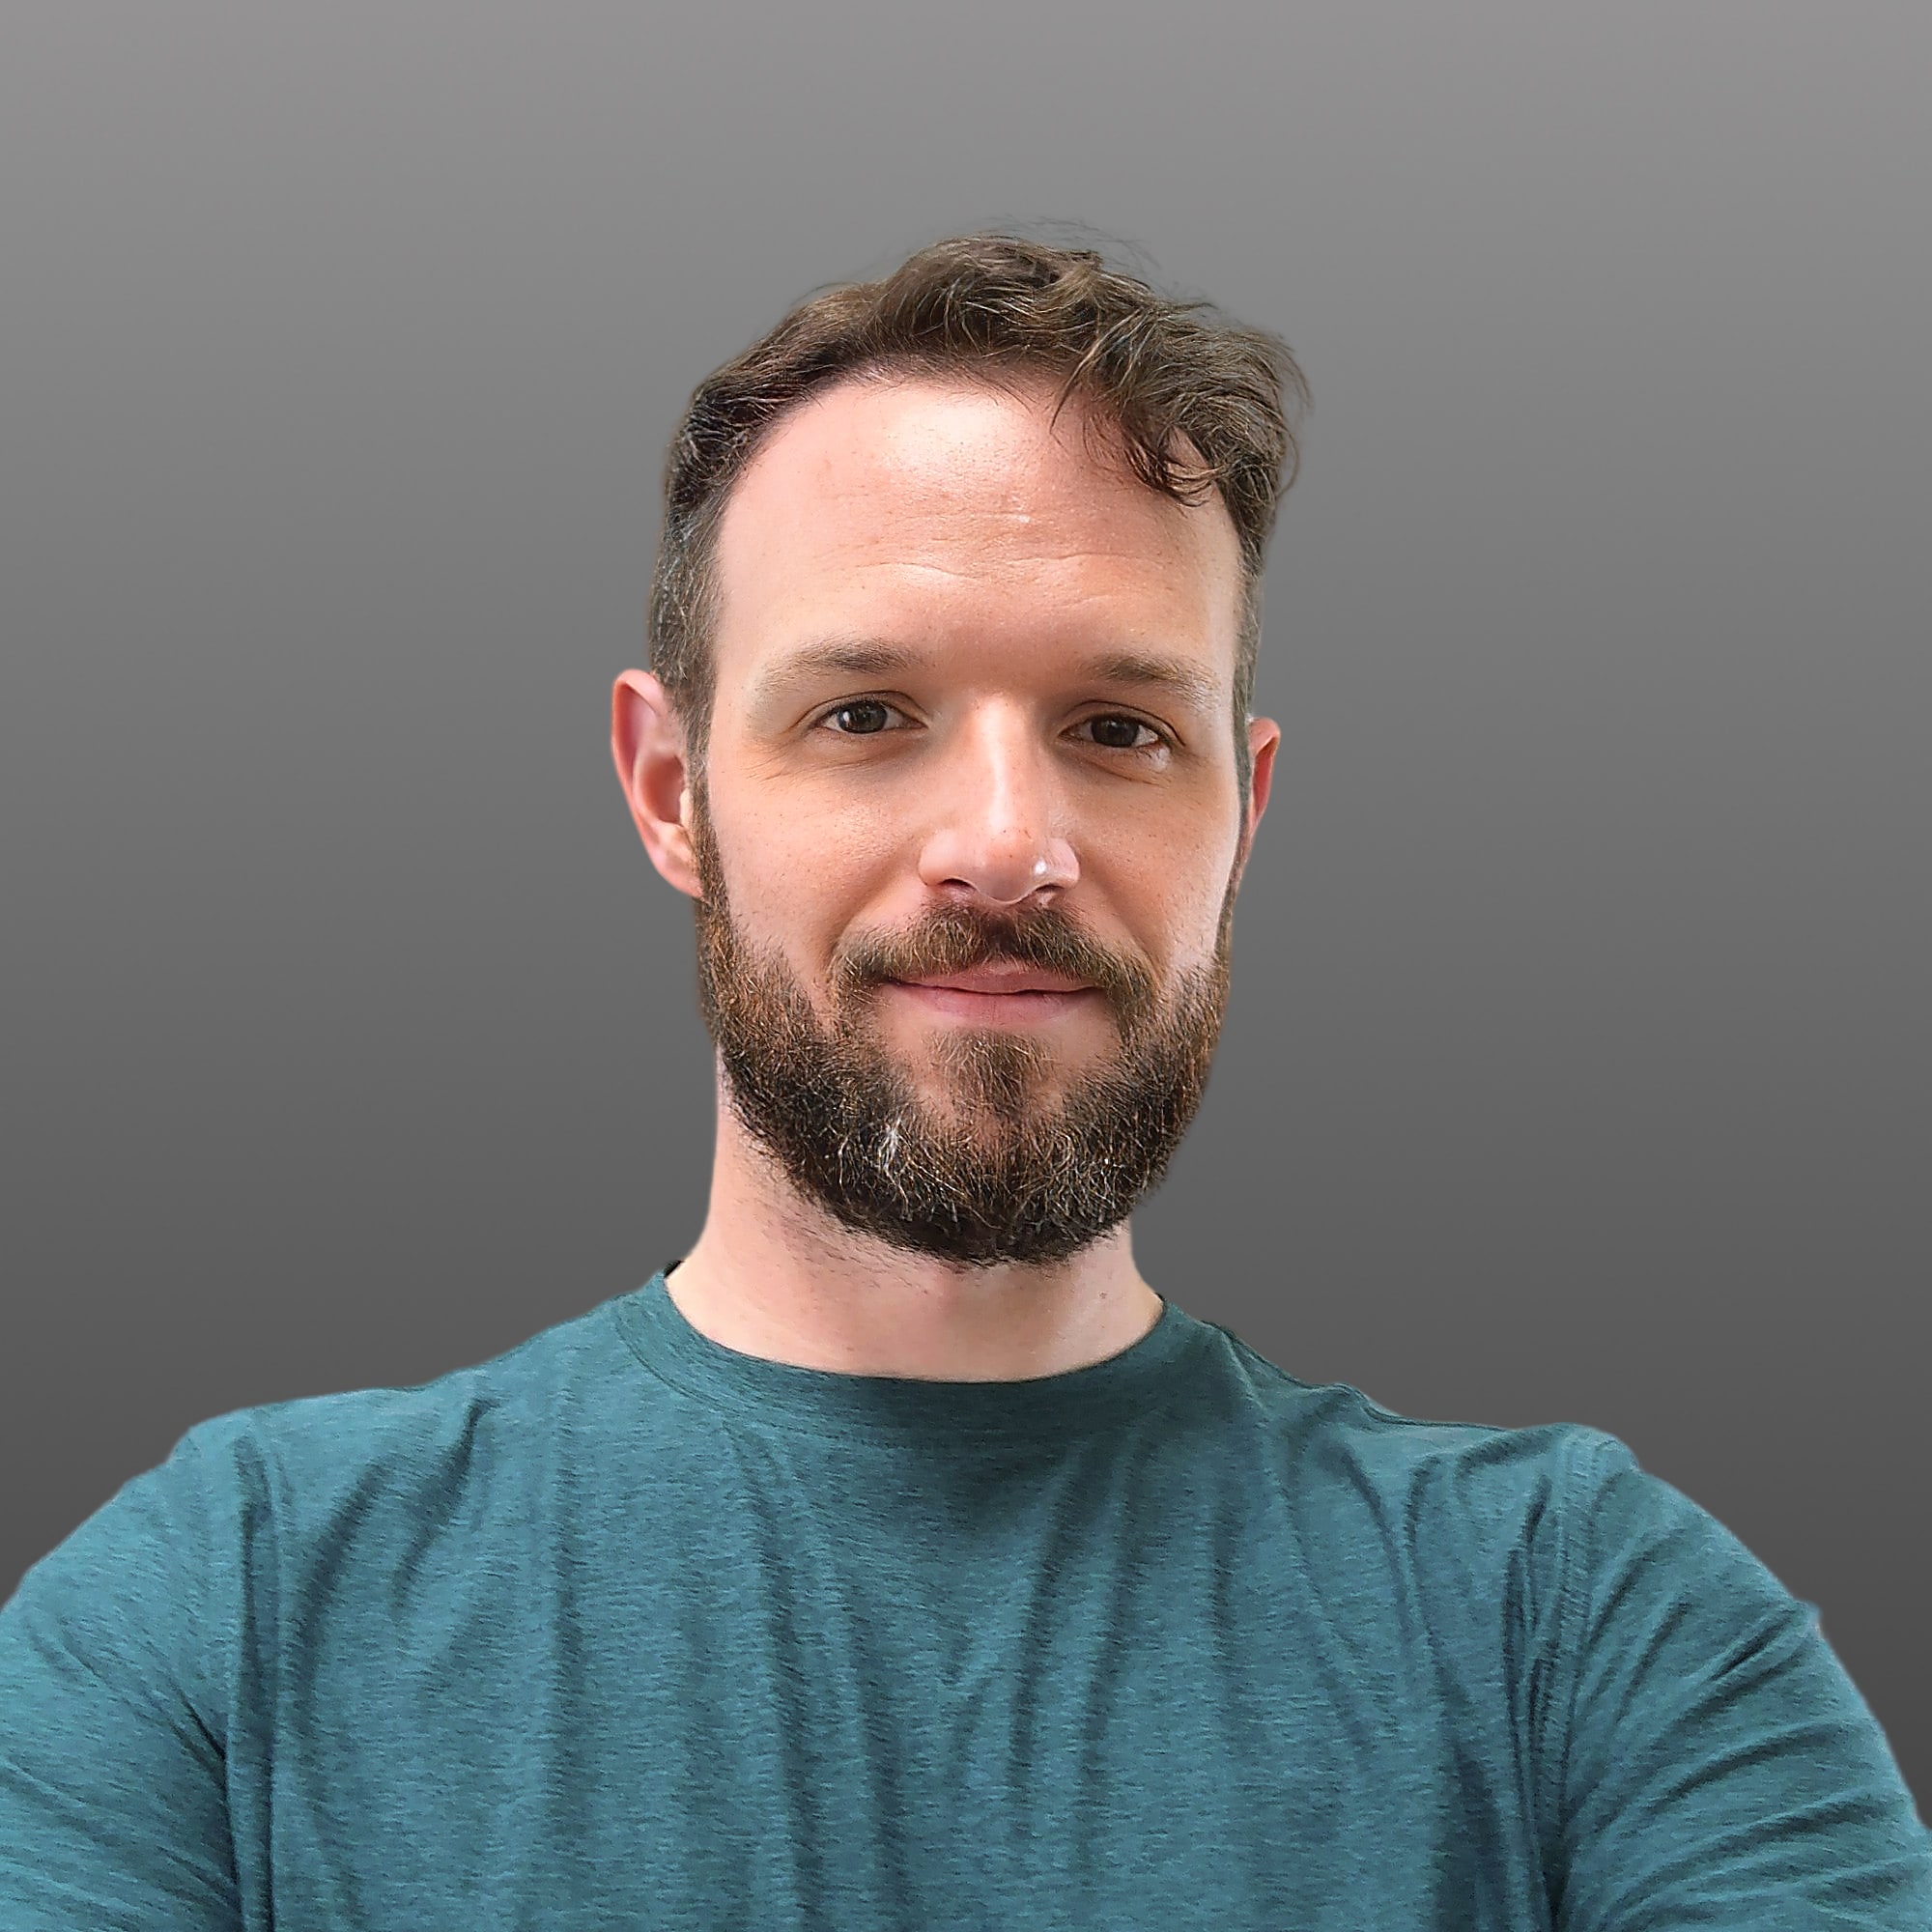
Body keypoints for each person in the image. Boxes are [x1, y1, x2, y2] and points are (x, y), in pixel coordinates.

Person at [1, 232, 1925, 1930]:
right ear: (673, 791)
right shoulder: (229, 1607)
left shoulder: (1581, 1623)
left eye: (1118, 727)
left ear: (1242, 814)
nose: (1007, 844)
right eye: (866, 714)